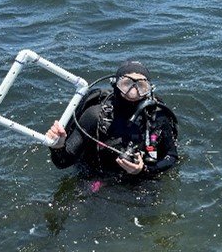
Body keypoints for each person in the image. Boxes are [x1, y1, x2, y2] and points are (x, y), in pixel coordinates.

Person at [45, 60, 178, 178]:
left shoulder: (157, 117)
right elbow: (63, 162)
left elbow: (171, 156)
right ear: (115, 84)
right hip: (96, 176)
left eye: (141, 86)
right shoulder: (95, 116)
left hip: (140, 180)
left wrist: (144, 169)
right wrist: (58, 146)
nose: (134, 91)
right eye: (127, 83)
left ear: (149, 90)